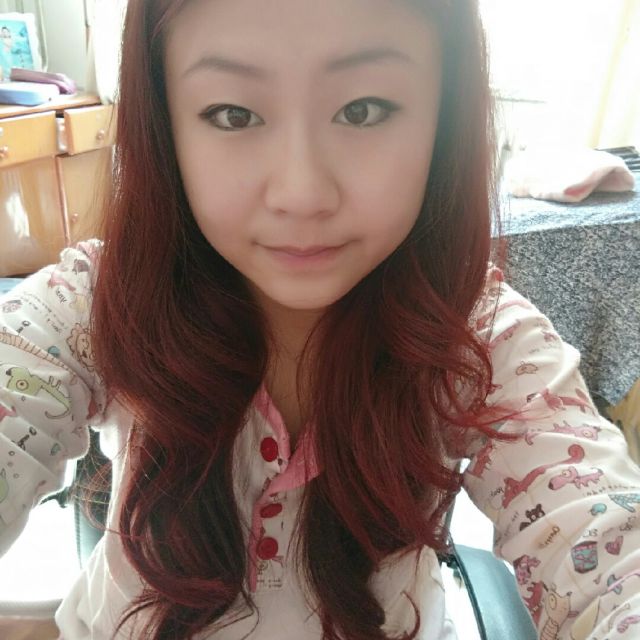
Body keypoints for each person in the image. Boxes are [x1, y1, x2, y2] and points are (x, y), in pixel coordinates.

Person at [0, 0, 639, 638]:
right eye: (234, 114)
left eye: (363, 110)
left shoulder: (479, 339)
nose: (301, 194)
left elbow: (602, 534)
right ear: (165, 126)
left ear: (443, 120)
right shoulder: (95, 304)